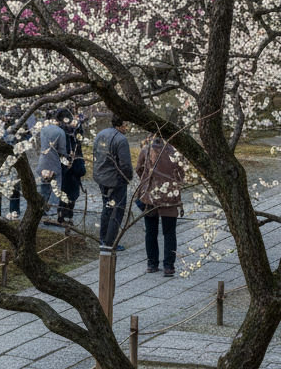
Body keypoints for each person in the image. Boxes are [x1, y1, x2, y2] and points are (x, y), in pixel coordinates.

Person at [135, 133, 185, 276]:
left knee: (151, 232)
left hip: (150, 195)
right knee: (169, 233)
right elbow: (181, 174)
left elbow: (139, 169)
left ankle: (152, 263)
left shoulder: (146, 149)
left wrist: (148, 181)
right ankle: (169, 266)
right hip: (170, 196)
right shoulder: (175, 151)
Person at [92, 115, 133, 249]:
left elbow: (95, 154)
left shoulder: (101, 134)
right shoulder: (121, 140)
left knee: (107, 208)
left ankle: (103, 238)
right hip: (115, 180)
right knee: (117, 210)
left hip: (100, 176)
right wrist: (128, 178)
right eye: (126, 124)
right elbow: (125, 165)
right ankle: (109, 242)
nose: (128, 128)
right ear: (121, 124)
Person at [0, 107, 33, 218]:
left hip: (15, 159)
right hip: (2, 160)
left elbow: (28, 138)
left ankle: (14, 212)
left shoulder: (21, 126)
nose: (6, 118)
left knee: (15, 187)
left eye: (9, 116)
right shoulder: (1, 128)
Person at [37, 111, 67, 222]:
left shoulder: (43, 129)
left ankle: (40, 209)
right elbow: (62, 150)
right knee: (55, 187)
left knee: (43, 187)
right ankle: (52, 211)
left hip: (43, 161)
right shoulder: (60, 132)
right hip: (54, 162)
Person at [56, 109, 85, 225]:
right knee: (70, 192)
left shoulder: (68, 131)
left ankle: (63, 214)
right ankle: (65, 215)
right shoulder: (66, 132)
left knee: (67, 191)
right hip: (69, 166)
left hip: (69, 166)